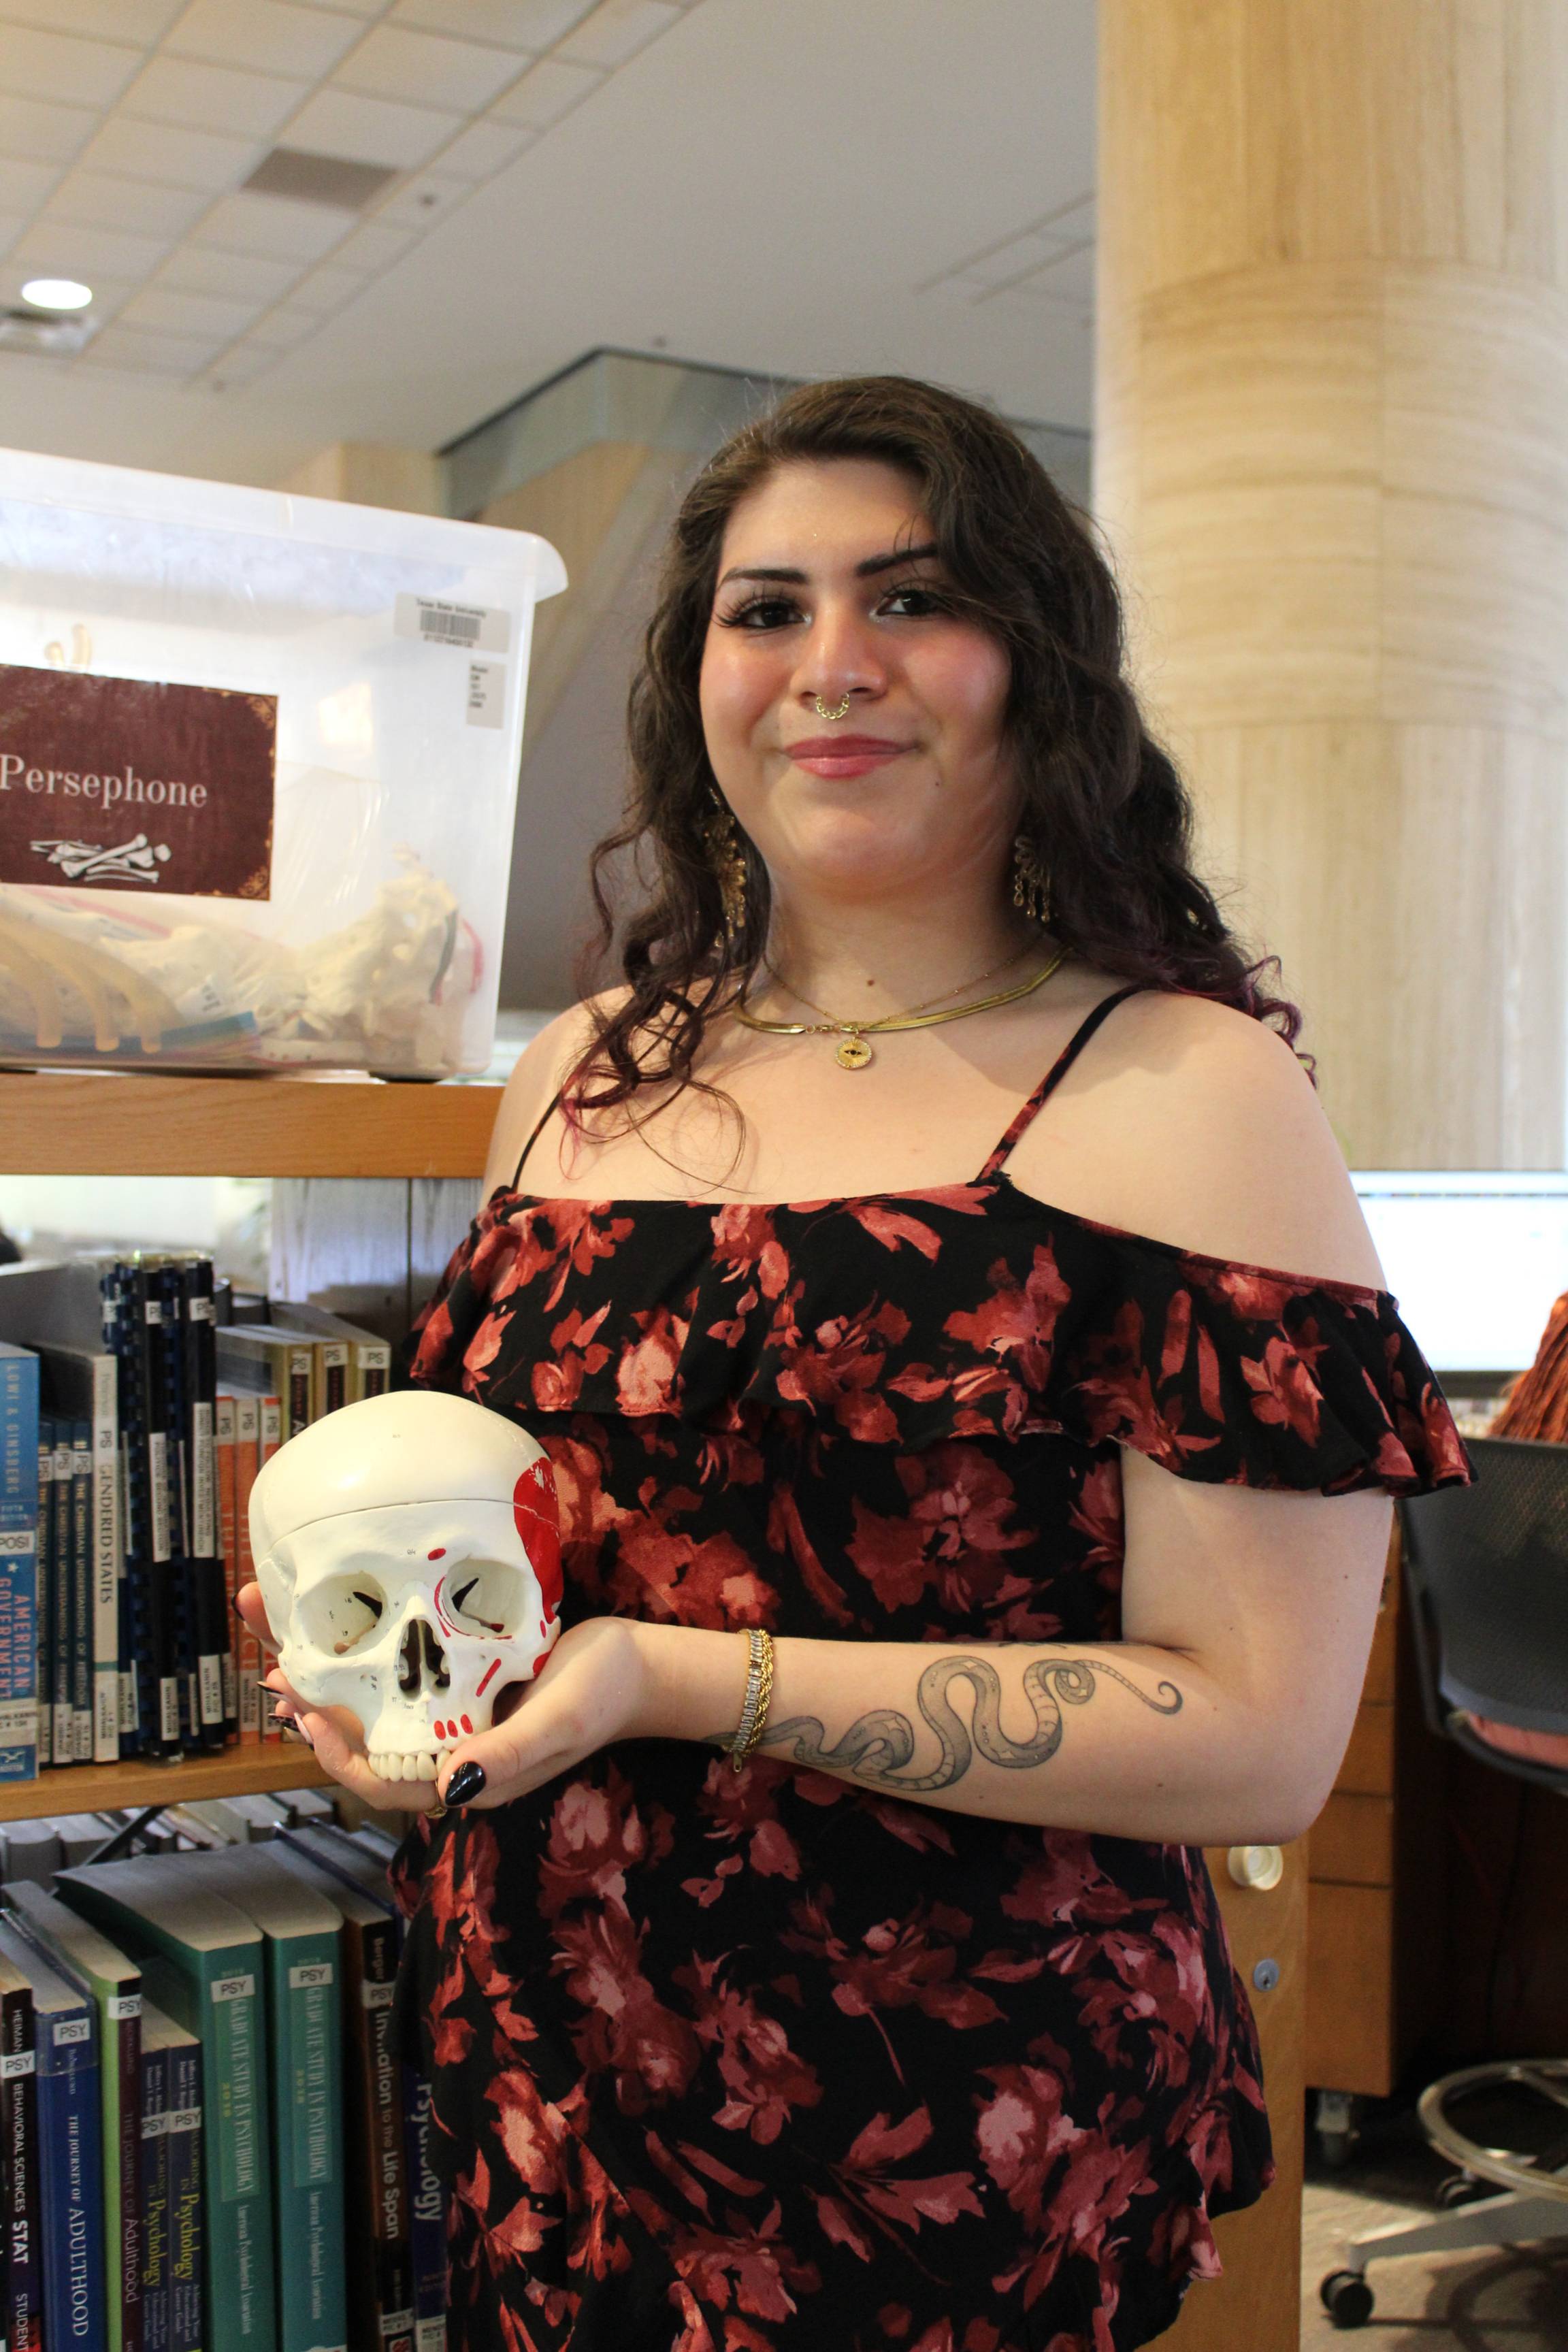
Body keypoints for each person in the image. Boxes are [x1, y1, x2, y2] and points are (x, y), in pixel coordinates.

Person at [242, 375, 1472, 2352]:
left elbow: (1256, 1737)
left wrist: (676, 1681)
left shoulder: (1185, 1092)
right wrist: (406, 1680)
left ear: (1037, 660)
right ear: (695, 676)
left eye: (909, 600)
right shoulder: (580, 1073)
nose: (832, 668)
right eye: (767, 610)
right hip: (553, 2074)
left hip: (958, 2134)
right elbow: (526, 1540)